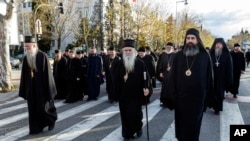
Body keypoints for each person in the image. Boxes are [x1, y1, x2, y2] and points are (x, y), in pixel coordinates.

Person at [165, 28, 214, 141]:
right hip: (181, 99)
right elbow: (173, 77)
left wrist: (208, 97)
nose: (190, 40)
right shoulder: (178, 56)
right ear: (185, 40)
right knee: (181, 127)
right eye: (188, 38)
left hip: (197, 100)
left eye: (193, 38)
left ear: (197, 40)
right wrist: (172, 95)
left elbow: (209, 78)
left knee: (194, 127)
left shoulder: (204, 56)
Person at [114, 39, 152, 140]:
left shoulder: (140, 64)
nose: (127, 52)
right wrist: (116, 92)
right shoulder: (119, 64)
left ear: (134, 51)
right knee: (125, 116)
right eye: (125, 50)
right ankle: (127, 134)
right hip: (123, 96)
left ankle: (137, 129)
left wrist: (147, 88)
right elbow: (115, 79)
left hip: (136, 96)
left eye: (129, 50)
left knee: (136, 115)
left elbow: (146, 78)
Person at [19, 35, 57, 134]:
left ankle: (51, 121)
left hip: (42, 89)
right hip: (31, 90)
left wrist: (49, 91)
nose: (26, 49)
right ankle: (35, 128)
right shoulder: (26, 58)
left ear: (34, 46)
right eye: (25, 47)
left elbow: (48, 75)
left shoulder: (42, 56)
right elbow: (24, 76)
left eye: (28, 46)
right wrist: (24, 90)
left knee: (43, 109)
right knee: (32, 110)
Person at [209, 38, 233, 115]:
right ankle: (213, 105)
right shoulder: (211, 54)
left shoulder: (227, 55)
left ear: (222, 45)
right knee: (212, 92)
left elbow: (229, 68)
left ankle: (218, 108)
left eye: (220, 44)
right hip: (212, 77)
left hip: (222, 78)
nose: (218, 45)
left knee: (220, 94)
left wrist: (229, 79)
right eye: (217, 44)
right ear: (214, 45)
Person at [156, 42, 176, 107]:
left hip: (172, 75)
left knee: (171, 88)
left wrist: (172, 68)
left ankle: (172, 102)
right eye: (167, 47)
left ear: (172, 48)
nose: (168, 48)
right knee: (164, 88)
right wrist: (160, 72)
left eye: (169, 47)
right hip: (165, 74)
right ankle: (163, 102)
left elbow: (178, 65)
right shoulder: (162, 55)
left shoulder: (175, 55)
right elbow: (159, 65)